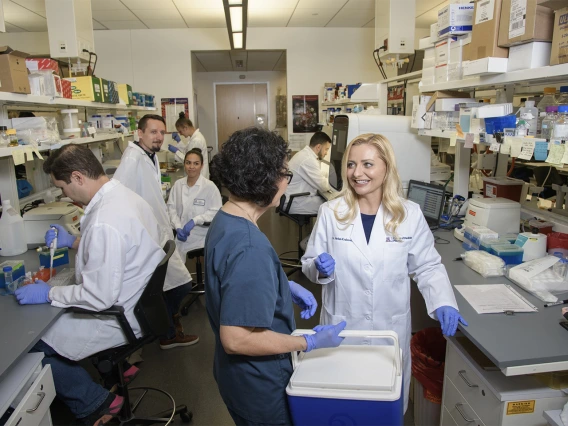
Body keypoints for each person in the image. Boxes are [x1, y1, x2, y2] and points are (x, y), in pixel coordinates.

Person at [301, 133, 467, 412]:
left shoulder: (409, 214)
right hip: (343, 329)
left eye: (368, 164)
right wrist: (317, 267)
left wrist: (444, 302)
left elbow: (427, 265)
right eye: (351, 165)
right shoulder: (331, 212)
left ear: (386, 167)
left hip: (387, 334)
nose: (357, 173)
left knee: (384, 410)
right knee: (344, 411)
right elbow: (309, 261)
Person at [205, 127, 347, 426]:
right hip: (259, 385)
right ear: (265, 180)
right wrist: (307, 342)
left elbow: (230, 283)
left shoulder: (226, 218)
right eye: (285, 173)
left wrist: (282, 284)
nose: (286, 181)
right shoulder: (249, 245)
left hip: (235, 377)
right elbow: (237, 339)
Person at [14, 144, 165, 426]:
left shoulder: (105, 220)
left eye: (63, 187)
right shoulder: (122, 195)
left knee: (33, 350)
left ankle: (98, 402)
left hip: (115, 315)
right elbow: (122, 247)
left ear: (78, 177)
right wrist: (75, 241)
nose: (64, 195)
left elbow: (98, 297)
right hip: (142, 305)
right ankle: (114, 372)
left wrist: (49, 293)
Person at [113, 114, 198, 350]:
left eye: (162, 132)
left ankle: (165, 329)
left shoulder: (147, 156)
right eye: (153, 132)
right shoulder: (132, 158)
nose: (159, 137)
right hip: (146, 237)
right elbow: (118, 196)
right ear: (139, 133)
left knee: (170, 284)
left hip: (158, 234)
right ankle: (165, 330)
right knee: (180, 284)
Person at [167, 148, 222, 256]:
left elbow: (216, 212)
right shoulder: (178, 185)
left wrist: (195, 220)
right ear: (184, 164)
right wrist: (178, 227)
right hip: (180, 235)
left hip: (200, 237)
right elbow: (171, 209)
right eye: (188, 163)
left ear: (201, 166)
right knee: (175, 268)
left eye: (196, 164)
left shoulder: (209, 187)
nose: (191, 167)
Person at [284, 131, 332, 214]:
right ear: (318, 147)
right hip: (294, 201)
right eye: (326, 149)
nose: (326, 153)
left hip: (295, 198)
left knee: (329, 204)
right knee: (332, 207)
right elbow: (323, 186)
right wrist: (337, 185)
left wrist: (329, 176)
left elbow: (318, 175)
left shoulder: (305, 154)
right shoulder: (308, 160)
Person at [168, 112, 209, 178]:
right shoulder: (193, 138)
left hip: (198, 177)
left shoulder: (196, 140)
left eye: (180, 131)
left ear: (185, 128)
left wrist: (176, 152)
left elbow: (190, 160)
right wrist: (179, 141)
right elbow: (188, 152)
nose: (180, 134)